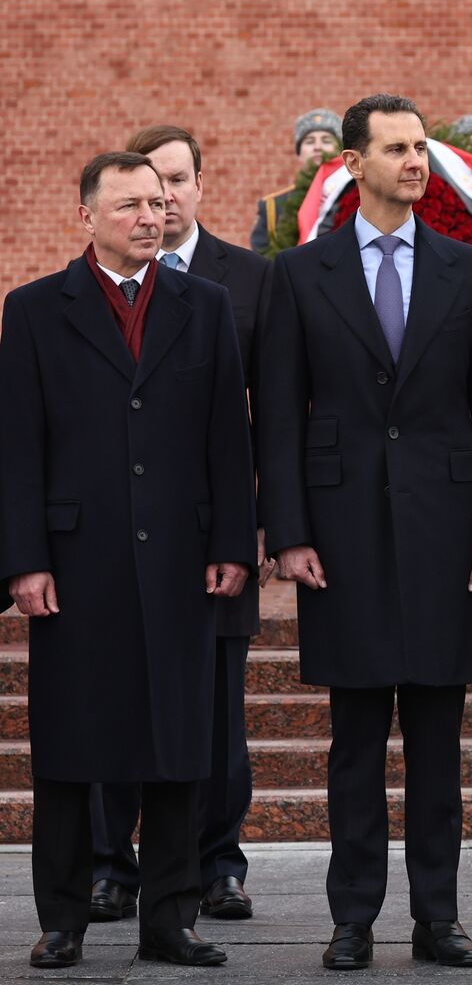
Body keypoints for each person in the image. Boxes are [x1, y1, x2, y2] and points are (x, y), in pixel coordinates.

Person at [257, 93, 472, 970]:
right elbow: (280, 417)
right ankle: (352, 920)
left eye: (420, 148)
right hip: (342, 539)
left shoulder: (467, 270)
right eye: (397, 148)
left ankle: (438, 918)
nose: (415, 162)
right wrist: (289, 532)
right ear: (354, 164)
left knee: (439, 746)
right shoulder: (301, 274)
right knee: (355, 744)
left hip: (448, 535)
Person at [0, 151, 256, 968]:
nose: (151, 216)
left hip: (182, 560)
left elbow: (228, 435)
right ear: (87, 216)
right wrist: (24, 560)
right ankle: (63, 920)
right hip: (76, 565)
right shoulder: (34, 310)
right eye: (130, 206)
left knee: (179, 743)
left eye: (157, 202)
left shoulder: (204, 305)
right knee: (70, 747)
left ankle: (170, 920)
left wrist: (231, 544)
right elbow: (18, 445)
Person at [86, 125, 273, 925]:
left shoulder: (252, 280)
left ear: (200, 185)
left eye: (176, 180)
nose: (162, 198)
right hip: (114, 540)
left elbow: (271, 414)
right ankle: (111, 866)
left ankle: (218, 862)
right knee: (112, 699)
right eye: (147, 184)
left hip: (211, 534)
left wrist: (258, 524)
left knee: (215, 709)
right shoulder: (90, 286)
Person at [249, 107, 342, 254]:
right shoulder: (273, 207)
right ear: (299, 153)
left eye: (326, 140)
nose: (318, 147)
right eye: (310, 142)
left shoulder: (356, 197)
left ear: (341, 150)